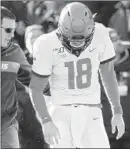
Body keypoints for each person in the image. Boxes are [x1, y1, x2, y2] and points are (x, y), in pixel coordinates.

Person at [29, 2, 125, 148]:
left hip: (92, 109)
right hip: (61, 110)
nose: (78, 43)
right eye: (73, 37)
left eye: (82, 37)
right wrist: (46, 119)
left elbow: (108, 74)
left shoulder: (101, 34)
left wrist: (117, 111)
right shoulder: (46, 44)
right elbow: (36, 88)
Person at [1, 6, 31, 148]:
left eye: (13, 30)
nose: (11, 35)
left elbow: (34, 81)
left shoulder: (14, 52)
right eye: (7, 30)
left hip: (6, 125)